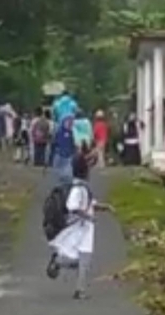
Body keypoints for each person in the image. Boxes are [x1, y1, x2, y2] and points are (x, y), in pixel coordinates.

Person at [46, 152, 114, 300]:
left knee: (83, 261)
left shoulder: (81, 187)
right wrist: (88, 216)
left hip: (84, 228)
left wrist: (103, 207)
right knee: (83, 261)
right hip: (79, 228)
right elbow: (73, 207)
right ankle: (60, 264)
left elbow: (89, 204)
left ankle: (79, 288)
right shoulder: (79, 189)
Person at [51, 115, 77, 183]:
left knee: (68, 176)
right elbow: (55, 143)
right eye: (68, 122)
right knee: (58, 175)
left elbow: (72, 144)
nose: (70, 123)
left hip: (68, 156)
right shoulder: (59, 132)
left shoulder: (70, 132)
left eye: (71, 122)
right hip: (60, 155)